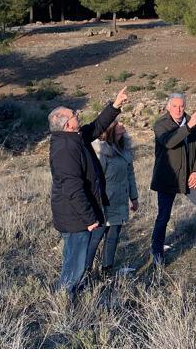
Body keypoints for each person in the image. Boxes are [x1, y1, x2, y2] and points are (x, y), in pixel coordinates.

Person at [48, 86, 128, 299]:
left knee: (74, 259)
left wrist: (115, 106)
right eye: (74, 114)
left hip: (76, 215)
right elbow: (72, 188)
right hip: (75, 217)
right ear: (67, 124)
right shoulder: (65, 149)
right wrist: (88, 217)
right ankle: (65, 300)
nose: (77, 115)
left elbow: (96, 126)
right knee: (75, 263)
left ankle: (70, 293)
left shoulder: (75, 137)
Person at [150, 92, 196, 266]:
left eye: (181, 106)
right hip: (168, 178)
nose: (178, 109)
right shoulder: (161, 125)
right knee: (163, 217)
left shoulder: (190, 122)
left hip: (189, 178)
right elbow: (169, 142)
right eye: (175, 106)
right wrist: (188, 127)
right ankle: (157, 254)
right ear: (168, 107)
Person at [85, 120, 139, 276]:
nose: (123, 124)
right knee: (96, 237)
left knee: (113, 236)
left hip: (120, 200)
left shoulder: (125, 148)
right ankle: (85, 272)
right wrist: (95, 203)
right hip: (103, 201)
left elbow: (130, 174)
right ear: (110, 127)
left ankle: (106, 270)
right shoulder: (101, 149)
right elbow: (95, 180)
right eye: (118, 122)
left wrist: (134, 197)